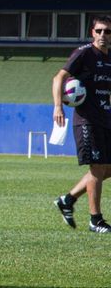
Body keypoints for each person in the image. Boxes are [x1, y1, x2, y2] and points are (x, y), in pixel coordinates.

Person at [52, 15, 111, 234]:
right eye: (99, 31)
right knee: (96, 168)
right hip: (87, 120)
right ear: (92, 33)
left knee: (107, 168)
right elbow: (59, 78)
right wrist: (58, 106)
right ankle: (96, 220)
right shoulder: (84, 53)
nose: (103, 35)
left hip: (105, 119)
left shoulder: (109, 58)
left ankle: (67, 200)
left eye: (107, 31)